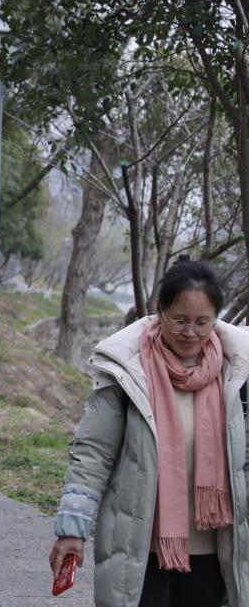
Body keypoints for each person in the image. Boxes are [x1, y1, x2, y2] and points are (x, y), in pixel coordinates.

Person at [49, 258, 249, 607]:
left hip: (213, 551)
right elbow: (94, 453)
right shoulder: (128, 370)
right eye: (180, 320)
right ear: (160, 309)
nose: (190, 332)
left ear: (216, 319)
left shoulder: (237, 374)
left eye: (202, 322)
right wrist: (72, 529)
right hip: (138, 549)